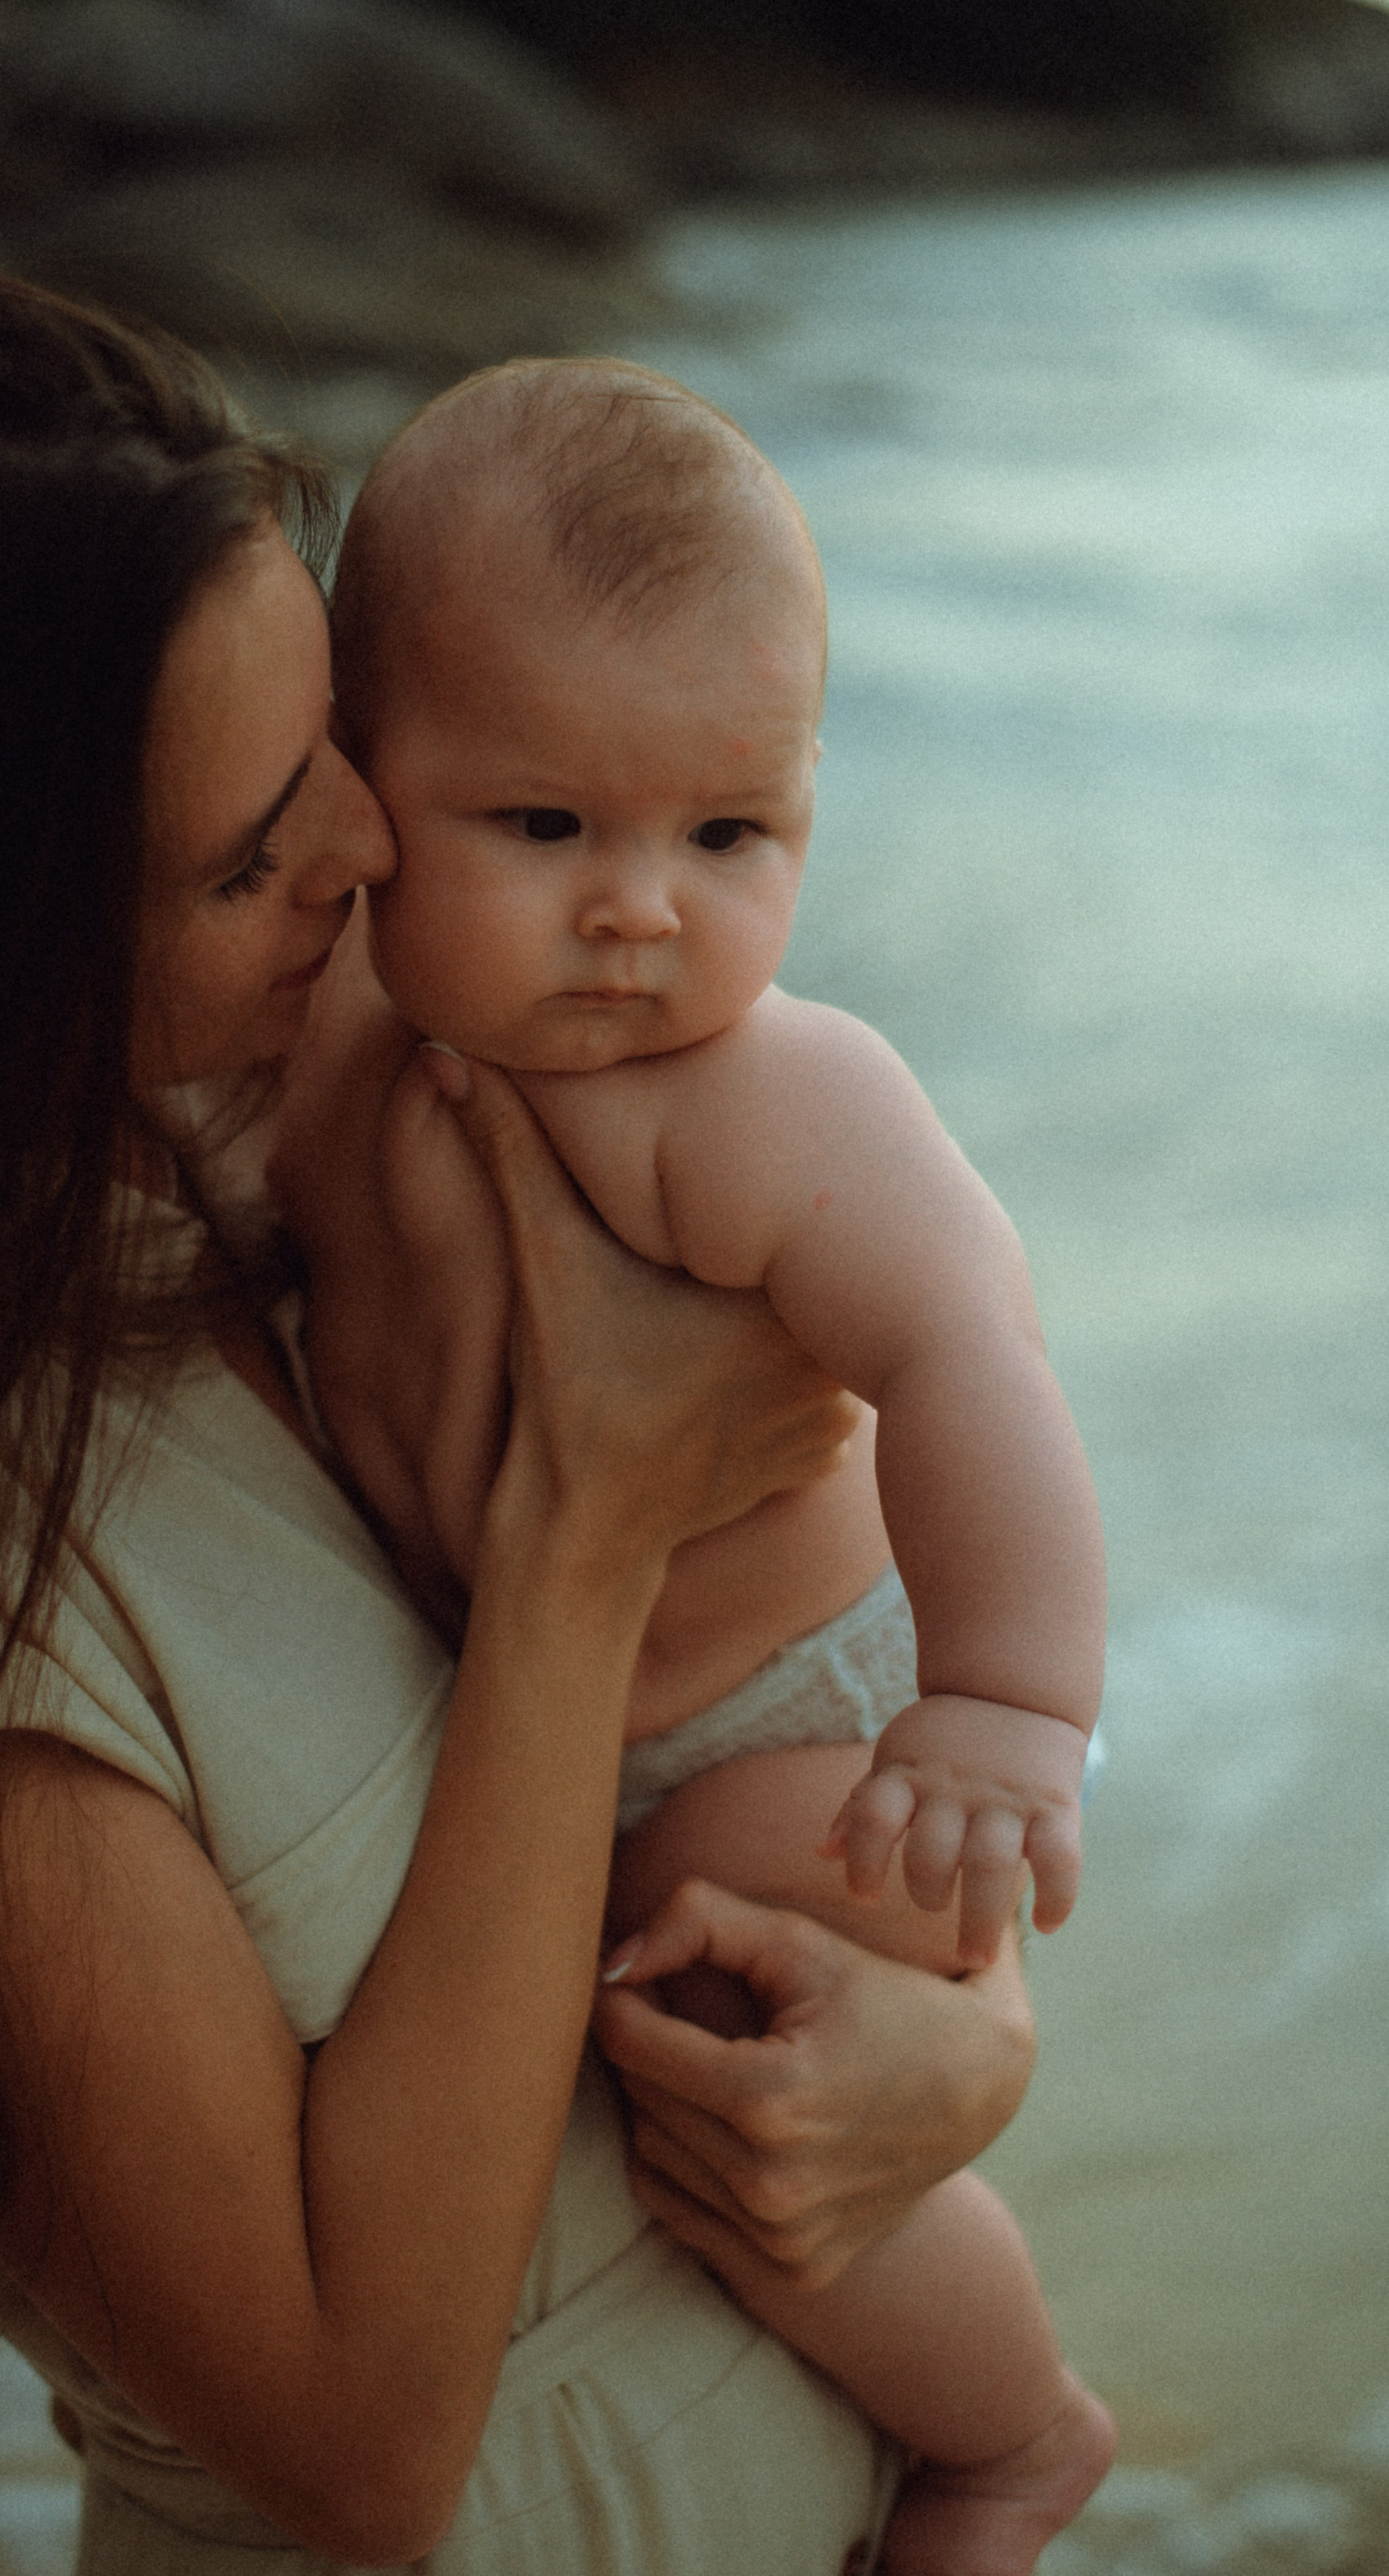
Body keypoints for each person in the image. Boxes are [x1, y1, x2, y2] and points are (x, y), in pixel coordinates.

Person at [0, 258, 1038, 2575]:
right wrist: (579, 1542)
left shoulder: (312, 1113)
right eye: (243, 852)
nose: (366, 848)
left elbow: (796, 1685)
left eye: (330, 741)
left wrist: (957, 2039)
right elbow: (361, 2451)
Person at [273, 357, 1117, 2573]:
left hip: (793, 1722)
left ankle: (1012, 2436)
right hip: (574, 1708)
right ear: (359, 799)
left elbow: (969, 1349)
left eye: (729, 836)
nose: (645, 912)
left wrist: (1009, 1705)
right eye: (546, 828)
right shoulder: (329, 1028)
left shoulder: (757, 1093)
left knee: (741, 2096)